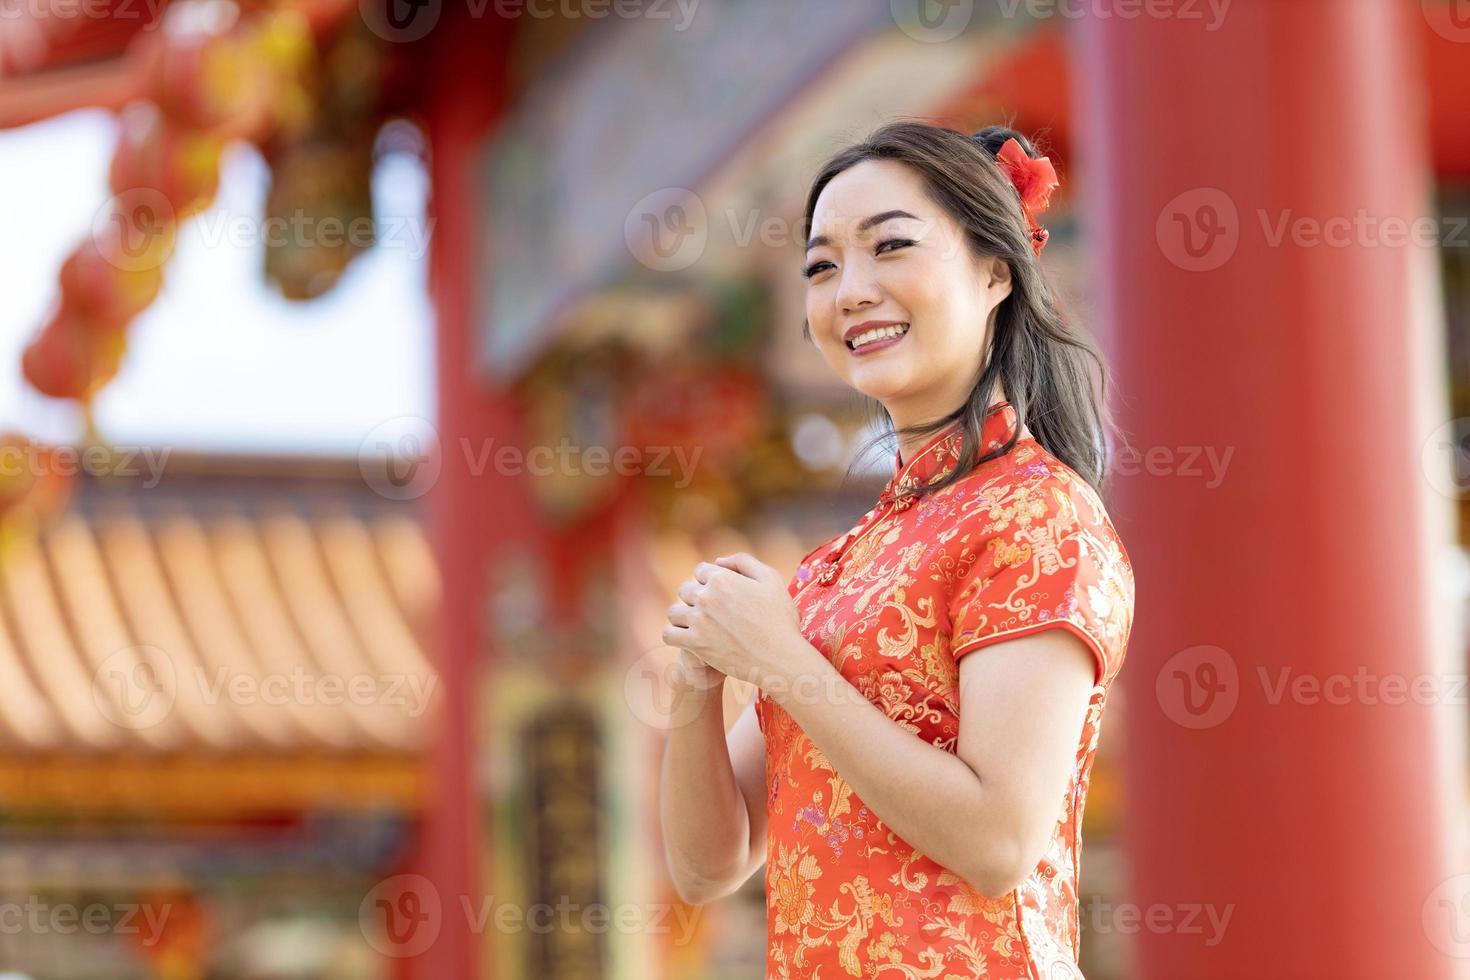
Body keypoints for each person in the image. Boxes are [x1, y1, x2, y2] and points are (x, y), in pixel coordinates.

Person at [659, 120, 1135, 979]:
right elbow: (707, 866)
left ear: (996, 271)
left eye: (891, 248)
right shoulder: (835, 568)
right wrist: (703, 675)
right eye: (822, 265)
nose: (851, 291)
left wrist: (782, 661)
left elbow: (998, 841)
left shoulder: (1037, 514)